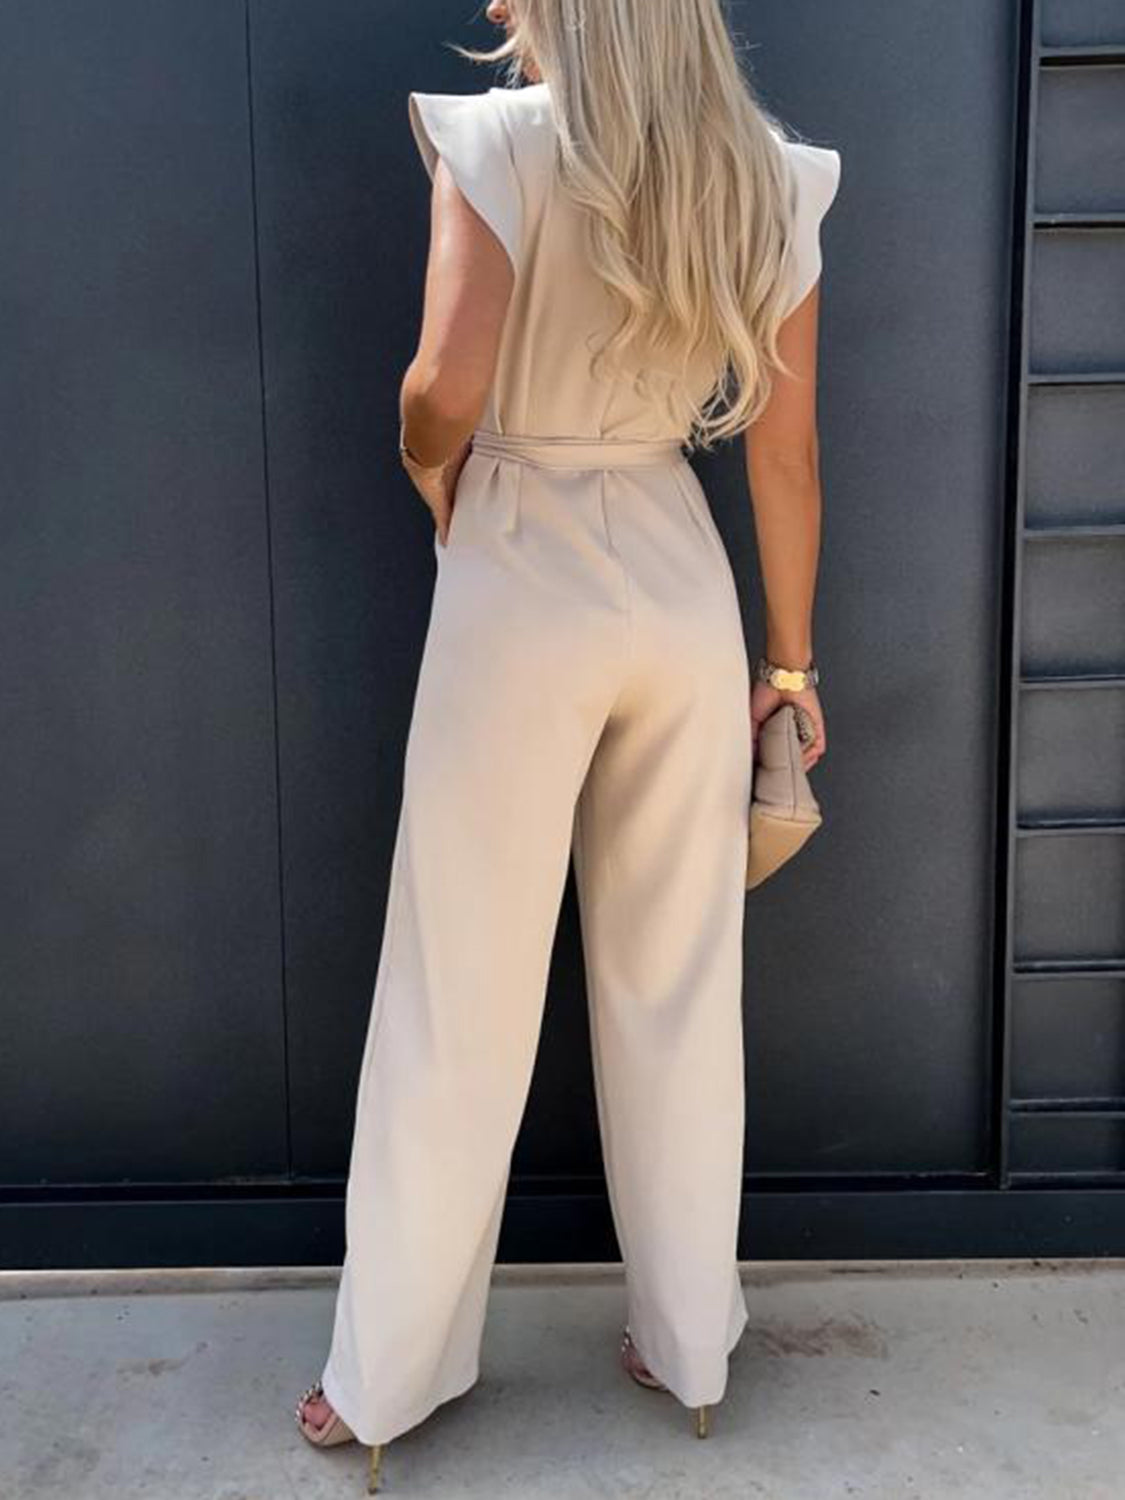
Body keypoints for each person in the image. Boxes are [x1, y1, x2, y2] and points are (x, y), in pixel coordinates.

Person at [295, 0, 840, 1488]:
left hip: (520, 557)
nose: (494, 6)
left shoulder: (500, 143)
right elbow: (785, 455)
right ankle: (691, 1349)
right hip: (677, 569)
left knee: (456, 986)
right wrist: (788, 666)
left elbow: (442, 388)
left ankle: (385, 1382)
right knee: (679, 981)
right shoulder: (767, 174)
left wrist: (434, 477)